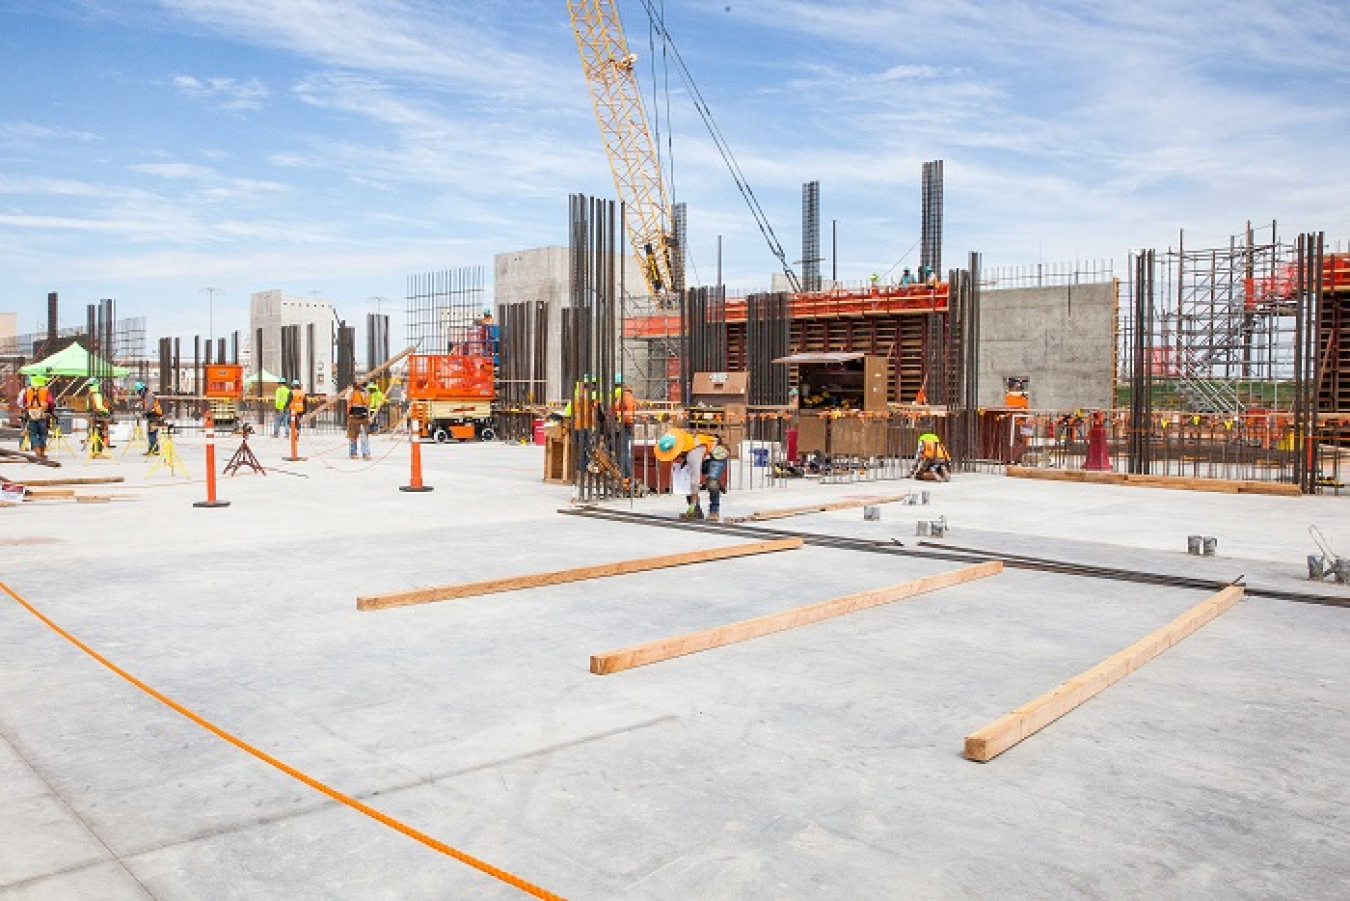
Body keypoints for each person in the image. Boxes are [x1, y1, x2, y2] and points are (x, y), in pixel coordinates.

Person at [20, 375, 55, 461]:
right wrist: (50, 411)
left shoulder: (27, 391)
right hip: (42, 414)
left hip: (31, 415)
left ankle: (37, 450)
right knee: (43, 433)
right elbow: (50, 402)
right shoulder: (45, 391)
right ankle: (42, 452)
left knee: (32, 434)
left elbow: (23, 402)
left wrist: (28, 409)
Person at [345, 379, 372, 460]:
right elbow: (347, 398)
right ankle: (353, 453)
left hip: (363, 417)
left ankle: (365, 453)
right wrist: (352, 388)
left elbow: (367, 405)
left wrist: (369, 416)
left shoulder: (365, 392)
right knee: (353, 436)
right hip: (353, 416)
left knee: (364, 436)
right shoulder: (351, 391)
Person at [614, 378, 636, 477]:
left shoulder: (622, 397)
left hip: (623, 425)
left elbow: (614, 409)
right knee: (625, 450)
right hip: (629, 425)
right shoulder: (631, 398)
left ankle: (626, 475)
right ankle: (626, 474)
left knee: (623, 452)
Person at [135, 381, 163, 455]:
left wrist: (142, 414)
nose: (139, 393)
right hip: (152, 415)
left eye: (139, 391)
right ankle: (154, 449)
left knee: (152, 432)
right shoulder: (147, 395)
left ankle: (153, 450)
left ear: (142, 389)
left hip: (154, 415)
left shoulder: (149, 395)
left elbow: (148, 408)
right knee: (151, 432)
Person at [85, 379, 111, 452]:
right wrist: (107, 411)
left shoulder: (88, 396)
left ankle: (94, 451)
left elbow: (87, 408)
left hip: (92, 417)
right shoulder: (97, 395)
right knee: (100, 434)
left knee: (94, 433)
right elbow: (99, 406)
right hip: (99, 417)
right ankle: (98, 452)